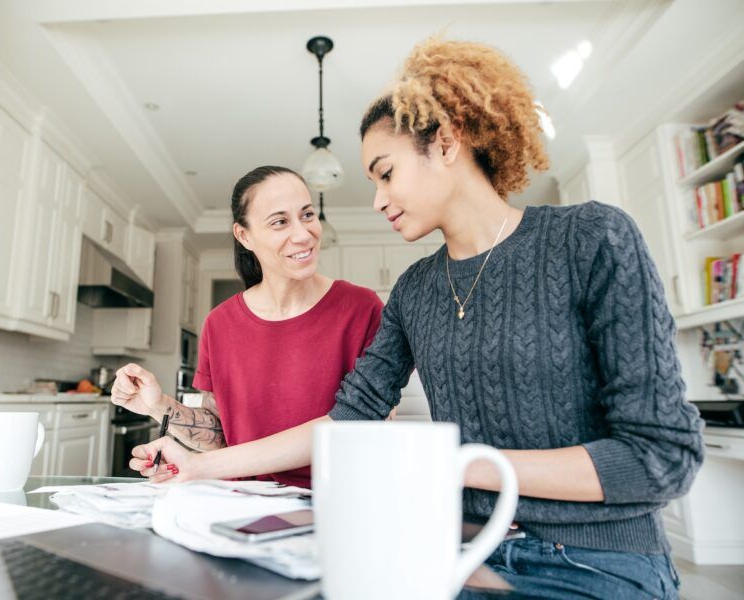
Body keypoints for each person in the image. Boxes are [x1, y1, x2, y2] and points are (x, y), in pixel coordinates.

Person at [128, 38, 703, 598]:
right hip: (459, 547)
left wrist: (459, 465)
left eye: (385, 172)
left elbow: (661, 457)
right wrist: (202, 468)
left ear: (447, 144)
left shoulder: (590, 238)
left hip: (596, 560)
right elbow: (344, 421)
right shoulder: (415, 289)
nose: (377, 199)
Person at [111, 165, 383, 488]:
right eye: (280, 221)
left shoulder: (363, 309)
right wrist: (158, 406)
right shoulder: (219, 324)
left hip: (338, 501)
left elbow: (366, 424)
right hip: (242, 503)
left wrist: (201, 466)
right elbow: (221, 434)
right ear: (244, 235)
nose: (303, 233)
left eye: (307, 215)